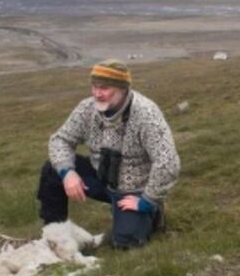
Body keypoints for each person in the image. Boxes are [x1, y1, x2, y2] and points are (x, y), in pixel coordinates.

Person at [36, 60, 180, 249]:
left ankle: (154, 212)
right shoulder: (87, 109)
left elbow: (168, 162)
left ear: (123, 88)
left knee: (126, 244)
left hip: (133, 189)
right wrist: (68, 173)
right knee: (52, 170)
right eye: (94, 87)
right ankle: (55, 235)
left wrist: (147, 200)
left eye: (104, 88)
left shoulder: (146, 114)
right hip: (100, 177)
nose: (97, 94)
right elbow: (60, 140)